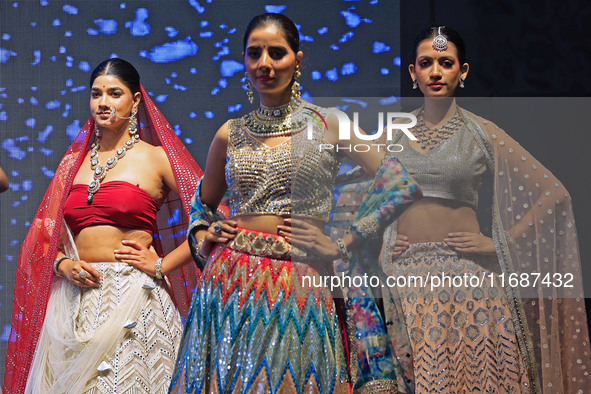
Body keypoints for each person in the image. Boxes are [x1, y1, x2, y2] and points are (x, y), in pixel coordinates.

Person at [170, 13, 421, 393]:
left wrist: (343, 243)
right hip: (229, 285)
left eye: (276, 53)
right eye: (254, 54)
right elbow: (201, 207)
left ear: (298, 60)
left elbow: (399, 184)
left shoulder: (328, 124)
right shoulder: (230, 133)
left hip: (300, 279)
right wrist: (207, 232)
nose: (264, 64)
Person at [379, 26, 590, 392]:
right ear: (412, 73)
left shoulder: (482, 132)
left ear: (463, 72)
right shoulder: (392, 135)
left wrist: (500, 242)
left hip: (470, 277)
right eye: (426, 63)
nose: (435, 72)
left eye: (446, 63)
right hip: (408, 280)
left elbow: (554, 194)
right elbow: (364, 200)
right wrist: (384, 240)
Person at [3, 58, 203, 393]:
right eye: (96, 94)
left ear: (136, 100)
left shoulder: (155, 158)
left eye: (114, 93)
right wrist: (63, 264)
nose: (103, 103)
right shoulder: (73, 164)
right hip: (72, 305)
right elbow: (40, 239)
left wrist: (161, 264)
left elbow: (213, 215)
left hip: (135, 303)